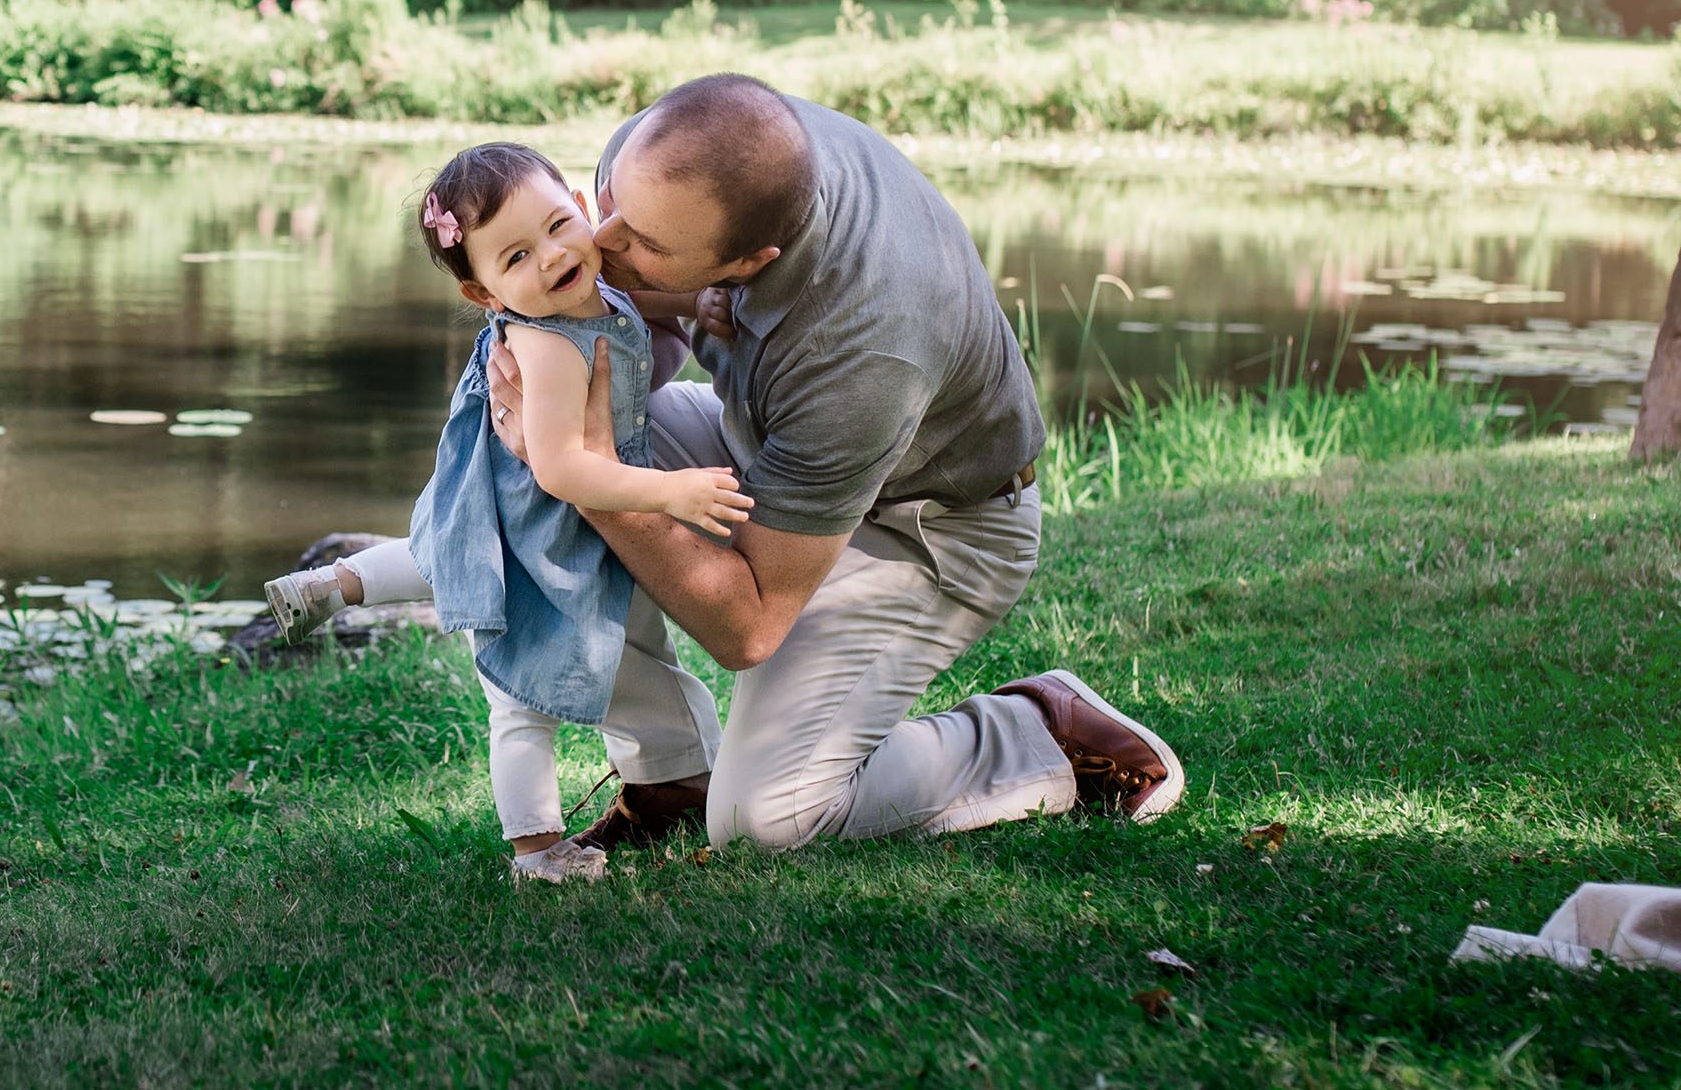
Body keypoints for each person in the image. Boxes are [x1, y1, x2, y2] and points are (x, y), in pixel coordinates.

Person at [481, 73, 1184, 852]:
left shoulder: (863, 348)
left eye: (645, 246)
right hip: (773, 452)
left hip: (929, 523)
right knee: (509, 434)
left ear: (750, 260)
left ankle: (1037, 732)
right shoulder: (668, 162)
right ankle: (671, 772)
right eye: (606, 201)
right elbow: (624, 321)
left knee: (765, 818)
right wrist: (566, 432)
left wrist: (593, 480)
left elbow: (747, 625)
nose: (600, 240)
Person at [262, 142, 751, 883]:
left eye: (558, 226)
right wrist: (669, 492)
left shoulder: (584, 284)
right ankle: (537, 852)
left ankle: (339, 581)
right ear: (485, 294)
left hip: (503, 510)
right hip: (542, 527)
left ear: (585, 213)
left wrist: (698, 301)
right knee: (524, 699)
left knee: (453, 556)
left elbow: (635, 304)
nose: (551, 256)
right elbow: (560, 468)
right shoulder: (548, 345)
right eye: (516, 257)